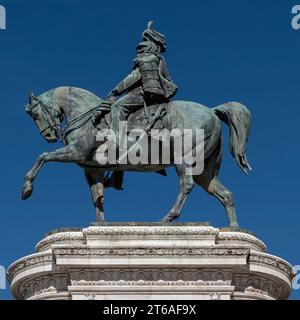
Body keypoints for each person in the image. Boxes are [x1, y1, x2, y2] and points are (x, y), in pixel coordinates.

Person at [93, 21, 178, 146]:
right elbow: (168, 79)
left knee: (117, 107)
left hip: (142, 93)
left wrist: (116, 90)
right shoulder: (159, 60)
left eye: (143, 45)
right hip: (156, 93)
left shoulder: (146, 58)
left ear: (150, 46)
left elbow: (133, 77)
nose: (140, 48)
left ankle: (115, 139)